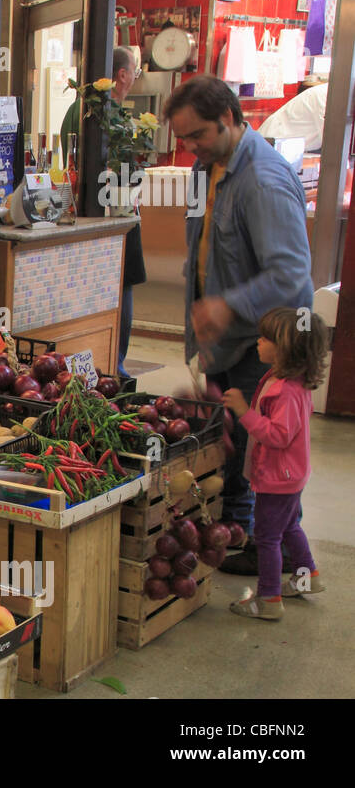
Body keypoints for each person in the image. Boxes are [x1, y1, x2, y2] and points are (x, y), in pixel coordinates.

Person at [164, 75, 313, 576]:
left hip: (260, 341)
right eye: (183, 139)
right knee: (232, 443)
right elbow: (203, 251)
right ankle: (244, 532)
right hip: (224, 341)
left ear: (228, 118)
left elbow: (291, 273)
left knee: (265, 449)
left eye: (198, 135)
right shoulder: (206, 170)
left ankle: (285, 550)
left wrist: (226, 306)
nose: (190, 148)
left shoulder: (264, 180)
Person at [220, 307, 325, 620]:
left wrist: (243, 411)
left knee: (267, 537)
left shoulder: (286, 391)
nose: (258, 343)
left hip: (278, 478)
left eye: (266, 339)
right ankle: (307, 577)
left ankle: (268, 599)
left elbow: (278, 435)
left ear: (287, 349)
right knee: (290, 525)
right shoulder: (287, 378)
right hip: (291, 475)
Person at [62, 46, 146, 378]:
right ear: (122, 75)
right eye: (134, 74)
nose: (133, 81)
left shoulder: (74, 108)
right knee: (122, 286)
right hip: (113, 218)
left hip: (78, 211)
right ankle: (115, 367)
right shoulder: (111, 115)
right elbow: (125, 172)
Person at [258, 82, 327, 153]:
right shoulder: (324, 95)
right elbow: (330, 140)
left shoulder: (328, 93)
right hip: (275, 142)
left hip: (288, 147)